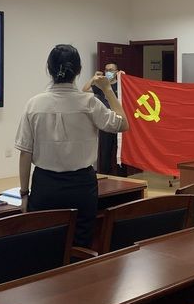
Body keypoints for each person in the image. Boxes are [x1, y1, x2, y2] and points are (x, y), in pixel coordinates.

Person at [16, 45, 128, 247]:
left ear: (48, 69)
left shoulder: (33, 104)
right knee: (80, 246)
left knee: (43, 246)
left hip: (45, 186)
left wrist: (24, 194)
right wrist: (108, 89)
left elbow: (25, 153)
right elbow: (123, 124)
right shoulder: (89, 102)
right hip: (82, 186)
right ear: (79, 70)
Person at [82, 61, 123, 175]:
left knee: (120, 152)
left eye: (111, 70)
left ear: (116, 72)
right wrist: (93, 78)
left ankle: (122, 177)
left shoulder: (121, 85)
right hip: (106, 121)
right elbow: (84, 90)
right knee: (105, 152)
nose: (108, 72)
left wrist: (124, 77)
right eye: (106, 70)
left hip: (120, 122)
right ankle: (106, 175)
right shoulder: (101, 85)